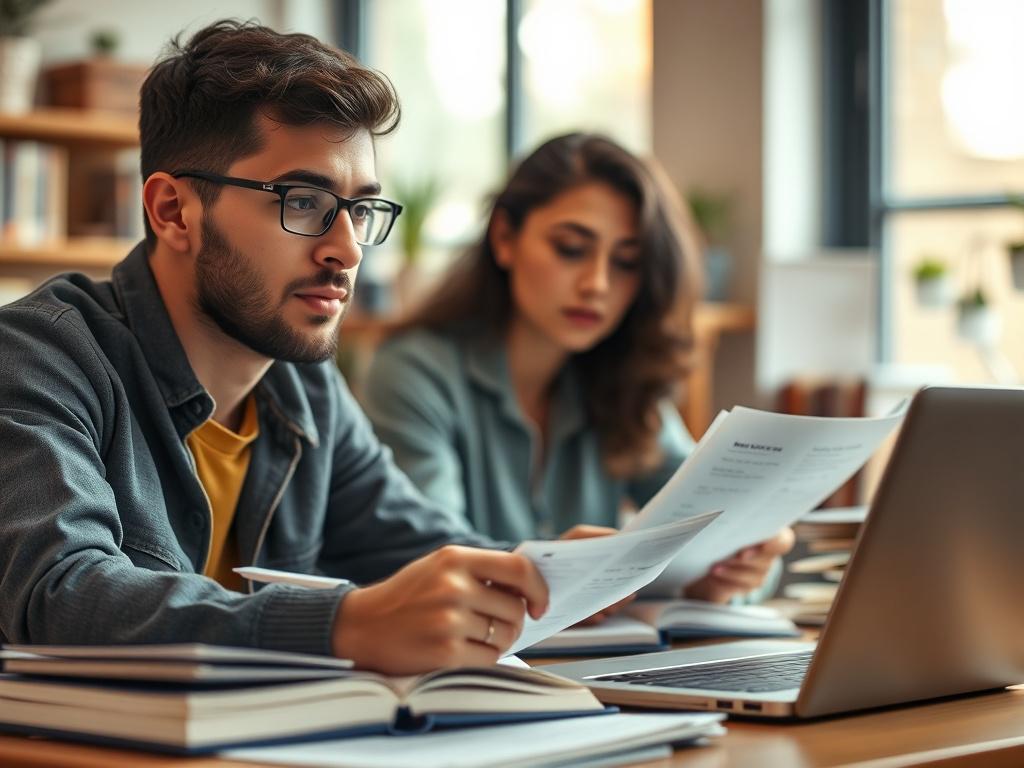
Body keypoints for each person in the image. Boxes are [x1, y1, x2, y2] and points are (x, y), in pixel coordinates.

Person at [0, 20, 554, 676]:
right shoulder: (39, 358)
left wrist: (555, 573)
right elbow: (62, 594)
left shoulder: (304, 385)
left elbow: (418, 549)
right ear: (173, 212)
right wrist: (341, 626)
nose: (346, 248)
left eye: (359, 210)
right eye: (303, 201)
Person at [363, 133, 793, 604]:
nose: (597, 284)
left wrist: (736, 571)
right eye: (571, 248)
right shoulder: (414, 372)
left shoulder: (621, 381)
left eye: (627, 262)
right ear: (505, 238)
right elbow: (423, 558)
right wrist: (556, 571)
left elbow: (719, 522)